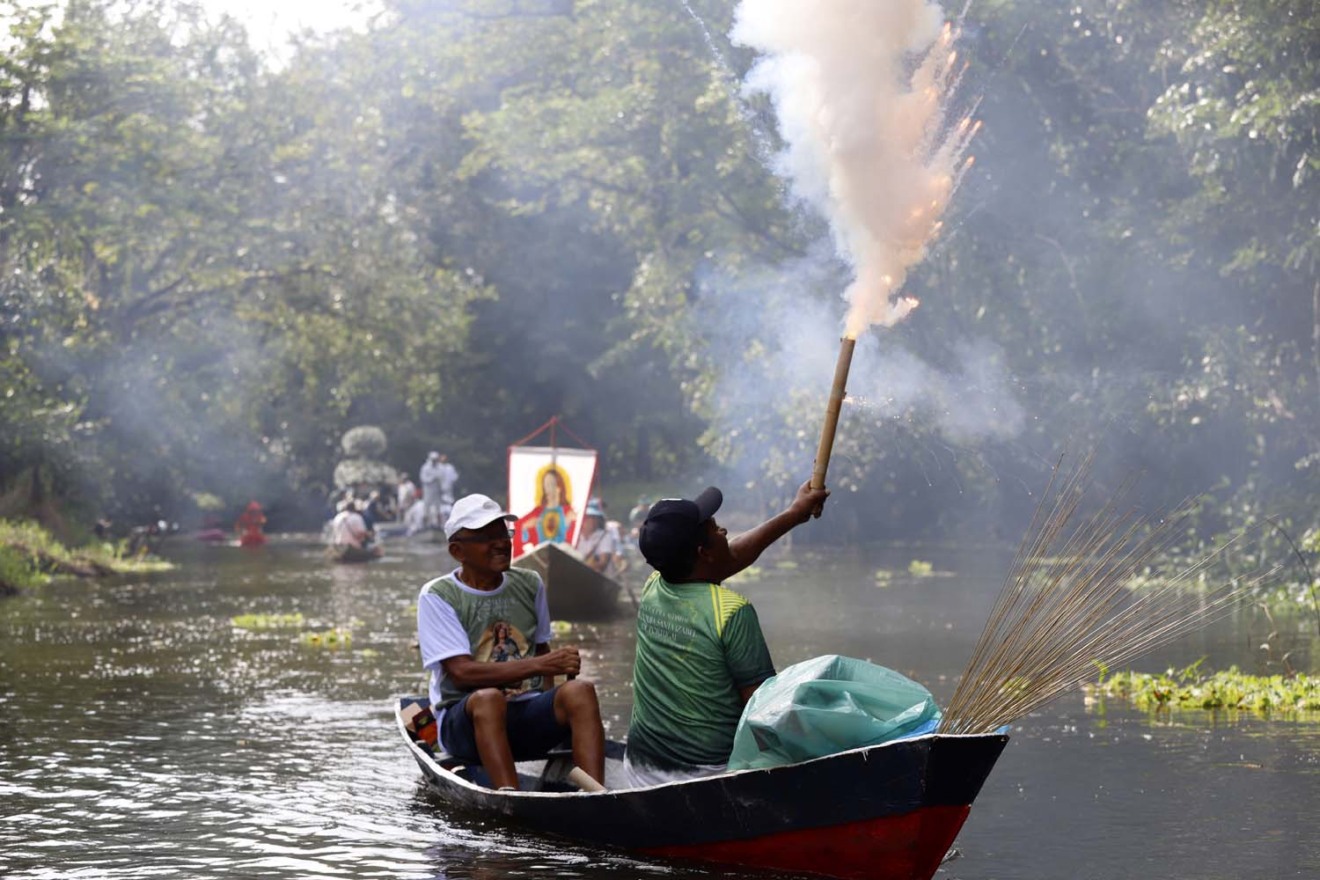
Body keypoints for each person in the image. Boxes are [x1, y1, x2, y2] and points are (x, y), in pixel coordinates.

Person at [623, 481, 828, 788]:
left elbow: (729, 557)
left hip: (639, 768)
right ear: (703, 553)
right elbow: (762, 711)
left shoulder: (655, 584)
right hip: (707, 777)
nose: (725, 532)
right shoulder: (732, 612)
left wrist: (794, 514)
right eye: (715, 528)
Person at [417, 493, 607, 791]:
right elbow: (463, 673)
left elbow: (542, 652)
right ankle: (510, 795)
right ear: (458, 551)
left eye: (503, 533)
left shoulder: (530, 583)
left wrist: (556, 702)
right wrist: (543, 664)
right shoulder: (438, 595)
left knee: (579, 691)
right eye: (484, 537)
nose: (501, 543)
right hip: (464, 723)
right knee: (489, 698)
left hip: (523, 716)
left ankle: (597, 794)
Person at [512, 467, 576, 555]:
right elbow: (522, 537)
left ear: (559, 487)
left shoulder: (568, 512)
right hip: (542, 555)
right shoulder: (538, 512)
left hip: (561, 555)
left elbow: (573, 537)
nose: (547, 489)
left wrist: (568, 522)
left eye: (550, 484)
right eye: (545, 485)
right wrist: (525, 528)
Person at [575, 501, 620, 579]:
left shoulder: (605, 535)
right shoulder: (576, 536)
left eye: (595, 518)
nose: (592, 521)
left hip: (600, 579)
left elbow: (603, 564)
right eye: (588, 517)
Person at [420, 452, 460, 530]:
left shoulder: (440, 468)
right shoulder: (425, 468)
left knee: (437, 508)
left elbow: (443, 479)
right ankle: (425, 525)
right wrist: (432, 479)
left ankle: (438, 525)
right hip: (428, 491)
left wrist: (442, 488)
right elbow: (423, 478)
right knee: (426, 507)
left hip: (437, 491)